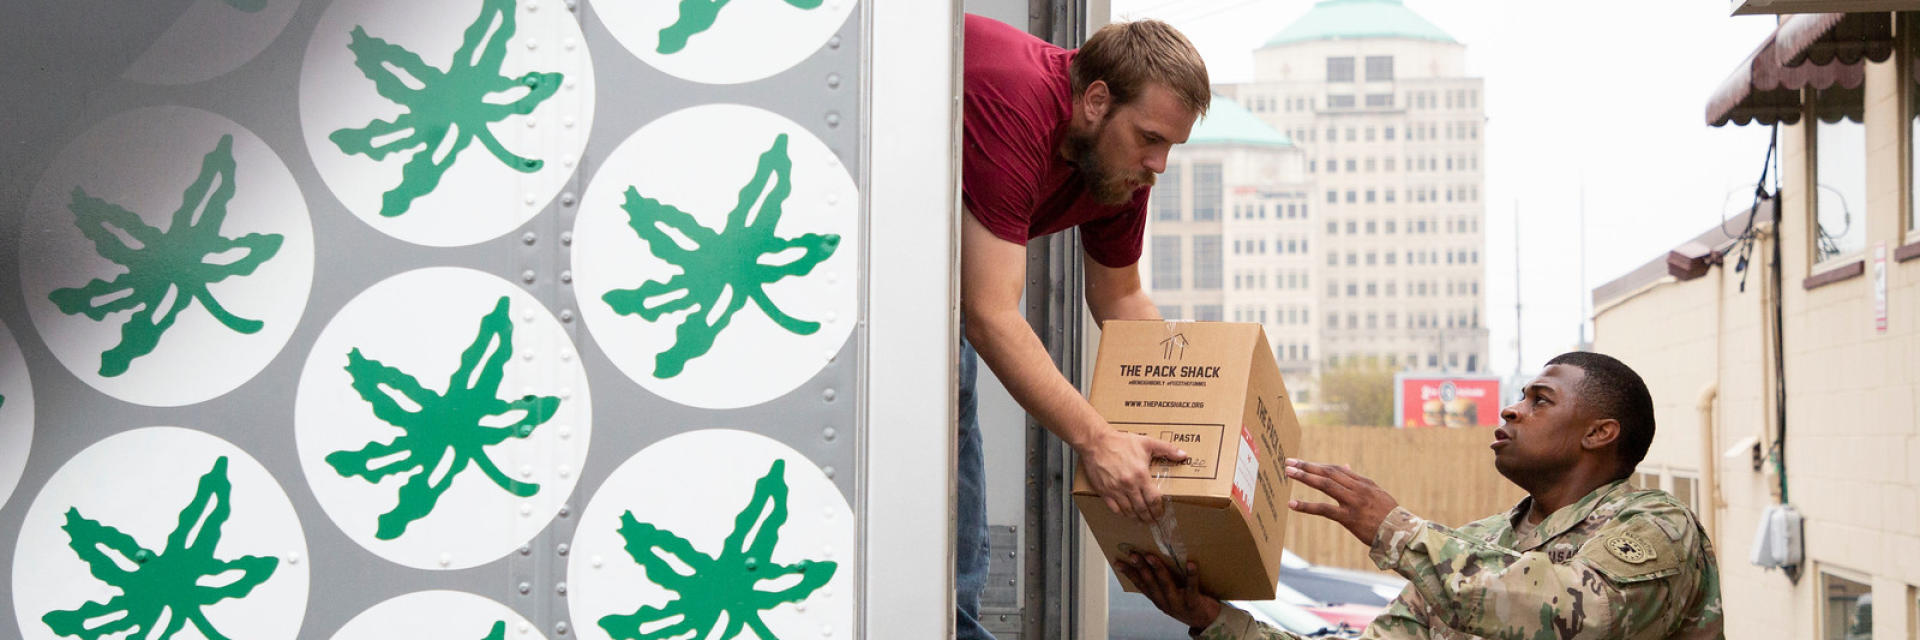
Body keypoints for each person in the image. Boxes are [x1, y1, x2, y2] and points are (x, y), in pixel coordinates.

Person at [1118, 352, 1724, 639]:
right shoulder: (1477, 545)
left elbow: (1576, 614)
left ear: (1600, 433)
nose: (1512, 407)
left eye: (1541, 400)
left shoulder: (1656, 526)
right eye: (1519, 395)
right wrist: (1216, 621)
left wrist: (1395, 530)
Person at [957, 13, 1210, 640]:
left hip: (929, 281)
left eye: (1171, 146)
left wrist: (1208, 422)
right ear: (1096, 100)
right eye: (1150, 137)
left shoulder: (1123, 166)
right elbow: (988, 313)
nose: (1159, 164)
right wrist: (1098, 439)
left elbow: (1121, 298)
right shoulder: (1016, 99)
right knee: (953, 373)